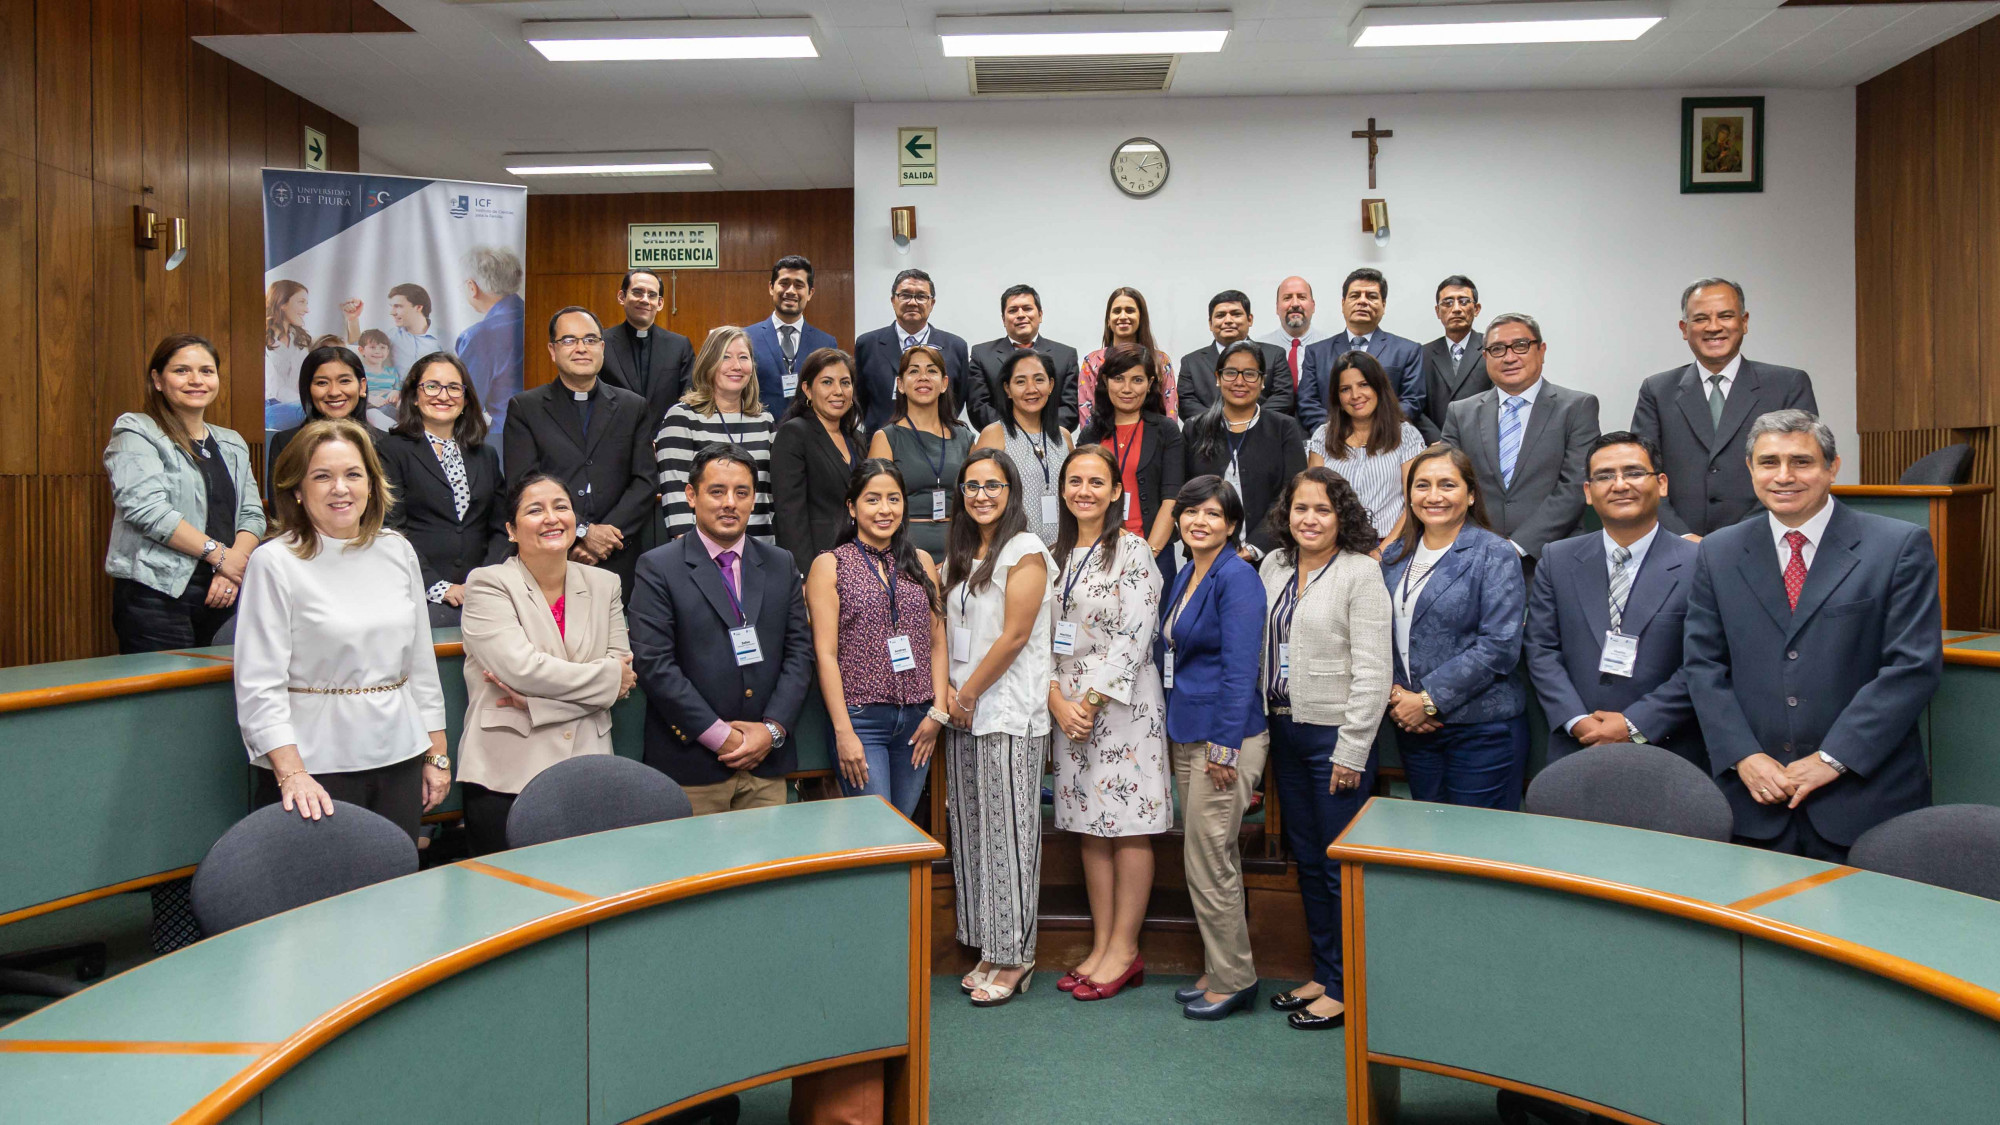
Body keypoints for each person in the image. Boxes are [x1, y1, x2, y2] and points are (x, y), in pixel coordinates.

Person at [1685, 411, 1942, 862]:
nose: (1784, 476)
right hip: (1752, 798)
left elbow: (1912, 667)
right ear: (1750, 470)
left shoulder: (1899, 546)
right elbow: (1704, 665)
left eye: (1801, 462)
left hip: (1863, 799)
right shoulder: (1717, 551)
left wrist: (1833, 758)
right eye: (1769, 462)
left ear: (1832, 467)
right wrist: (1743, 755)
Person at [233, 418, 451, 840]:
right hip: (313, 769)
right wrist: (291, 773)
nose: (340, 488)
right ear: (297, 489)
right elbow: (259, 684)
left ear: (371, 484)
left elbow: (421, 665)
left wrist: (436, 753)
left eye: (353, 474)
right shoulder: (274, 561)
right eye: (322, 477)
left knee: (397, 873)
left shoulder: (397, 550)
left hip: (401, 756)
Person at [1257, 468, 1391, 1031]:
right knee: (1308, 862)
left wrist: (1352, 750)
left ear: (1342, 516)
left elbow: (1374, 671)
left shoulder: (1361, 572)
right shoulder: (1274, 565)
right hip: (1284, 731)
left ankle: (1346, 987)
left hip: (1335, 737)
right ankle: (1324, 972)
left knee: (1339, 868)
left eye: (1323, 510)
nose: (1309, 519)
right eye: (1300, 508)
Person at [456, 471, 636, 855]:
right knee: (505, 889)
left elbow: (622, 675)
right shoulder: (487, 584)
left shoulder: (605, 584)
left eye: (561, 507)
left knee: (589, 884)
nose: (552, 518)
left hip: (588, 768)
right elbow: (523, 670)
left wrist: (538, 704)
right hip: (506, 774)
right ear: (511, 529)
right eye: (535, 510)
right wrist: (604, 681)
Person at [629, 444, 814, 814]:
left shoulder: (781, 563)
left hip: (766, 762)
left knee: (768, 855)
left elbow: (799, 654)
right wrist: (721, 737)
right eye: (717, 491)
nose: (730, 503)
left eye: (741, 492)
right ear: (691, 496)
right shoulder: (658, 567)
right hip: (692, 766)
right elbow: (654, 664)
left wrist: (771, 731)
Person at [1047, 445, 1167, 1003]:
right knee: (1089, 827)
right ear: (1061, 489)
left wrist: (1090, 701)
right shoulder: (1052, 554)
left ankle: (1125, 948)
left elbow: (1134, 636)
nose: (1085, 491)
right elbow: (1036, 638)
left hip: (1122, 708)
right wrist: (1057, 700)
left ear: (1117, 491)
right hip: (1066, 708)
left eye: (1097, 482)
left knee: (1127, 823)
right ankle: (1100, 946)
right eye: (1075, 481)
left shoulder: (1133, 550)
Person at [942, 449, 1055, 1008]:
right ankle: (990, 945)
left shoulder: (1025, 550)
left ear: (1011, 491)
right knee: (974, 835)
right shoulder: (963, 552)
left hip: (1008, 713)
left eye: (992, 485)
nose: (981, 495)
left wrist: (966, 693)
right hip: (965, 713)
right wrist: (954, 695)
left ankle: (1016, 956)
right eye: (971, 486)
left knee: (1010, 836)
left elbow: (1014, 637)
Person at [1525, 432, 1703, 767]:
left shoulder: (1700, 562)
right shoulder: (1557, 559)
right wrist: (1577, 720)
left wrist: (1634, 723)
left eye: (1634, 472)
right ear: (1588, 492)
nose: (1620, 485)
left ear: (1662, 484)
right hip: (1576, 747)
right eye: (1605, 476)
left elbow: (1704, 661)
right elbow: (1541, 649)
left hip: (1668, 751)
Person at [1161, 475, 1268, 1020]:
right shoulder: (1188, 572)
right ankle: (1220, 964)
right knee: (1205, 857)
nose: (1199, 521)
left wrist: (1224, 747)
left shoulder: (1238, 577)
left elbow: (1240, 669)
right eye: (1191, 511)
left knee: (1209, 860)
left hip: (1226, 739)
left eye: (1212, 514)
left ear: (1231, 525)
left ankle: (1234, 979)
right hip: (1190, 729)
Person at [1380, 445, 1529, 810]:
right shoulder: (1393, 556)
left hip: (1482, 730)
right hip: (1413, 727)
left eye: (1447, 484)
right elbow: (1377, 635)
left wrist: (1428, 701)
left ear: (1471, 494)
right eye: (1422, 485)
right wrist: (1398, 696)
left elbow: (1499, 645)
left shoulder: (1494, 553)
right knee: (1429, 836)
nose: (1434, 496)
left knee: (1477, 840)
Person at [104, 334, 266, 653]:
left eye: (206, 371)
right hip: (156, 595)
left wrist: (232, 569)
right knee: (164, 687)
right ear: (158, 380)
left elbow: (252, 514)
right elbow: (147, 510)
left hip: (224, 590)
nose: (196, 380)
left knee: (224, 685)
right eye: (182, 370)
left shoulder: (231, 442)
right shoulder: (137, 430)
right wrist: (221, 557)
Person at [805, 460, 948, 817]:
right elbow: (825, 654)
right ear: (852, 507)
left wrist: (938, 712)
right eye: (873, 499)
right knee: (878, 830)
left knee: (903, 826)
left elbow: (937, 643)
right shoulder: (831, 564)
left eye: (893, 499)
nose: (885, 509)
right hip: (862, 720)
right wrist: (843, 731)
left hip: (918, 720)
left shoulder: (921, 562)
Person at [1632, 278, 1818, 538]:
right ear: (1684, 328)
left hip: (1763, 540)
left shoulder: (1787, 385)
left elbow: (1799, 469)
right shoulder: (1657, 390)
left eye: (1725, 316)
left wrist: (1734, 540)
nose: (1714, 327)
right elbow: (1642, 473)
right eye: (1701, 319)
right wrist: (1681, 536)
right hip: (1677, 544)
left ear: (1744, 322)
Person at [504, 307, 659, 594]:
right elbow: (523, 484)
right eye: (569, 340)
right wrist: (582, 531)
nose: (581, 348)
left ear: (602, 348)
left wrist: (605, 537)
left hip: (619, 554)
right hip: (551, 553)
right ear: (552, 350)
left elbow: (645, 481)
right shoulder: (525, 408)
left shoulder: (632, 406)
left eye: (590, 340)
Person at [1441, 313, 1601, 567]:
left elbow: (1574, 486)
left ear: (1541, 351)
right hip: (1475, 557)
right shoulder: (1460, 413)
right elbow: (1448, 484)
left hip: (1554, 557)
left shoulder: (1577, 407)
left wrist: (1516, 547)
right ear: (1485, 357)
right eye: (1497, 349)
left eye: (1520, 345)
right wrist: (1482, 545)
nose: (1509, 357)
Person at [377, 353, 508, 626]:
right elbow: (391, 529)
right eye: (432, 386)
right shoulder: (391, 450)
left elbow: (501, 526)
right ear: (414, 396)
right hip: (416, 593)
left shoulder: (485, 455)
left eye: (454, 388)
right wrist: (437, 586)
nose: (443, 395)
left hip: (482, 593)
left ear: (466, 399)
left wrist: (483, 580)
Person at [1182, 342, 1307, 560]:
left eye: (1250, 374)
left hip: (1270, 557)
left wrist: (1253, 548)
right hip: (1204, 555)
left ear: (1262, 381)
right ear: (1218, 378)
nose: (1239, 382)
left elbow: (1292, 494)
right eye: (1231, 373)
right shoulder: (1195, 428)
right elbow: (1184, 495)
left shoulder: (1283, 428)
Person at [656, 326, 778, 544]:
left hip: (759, 546)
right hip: (701, 548)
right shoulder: (682, 417)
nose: (736, 366)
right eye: (725, 357)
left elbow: (770, 494)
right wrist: (691, 549)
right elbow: (676, 493)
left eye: (743, 357)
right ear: (708, 363)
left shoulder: (764, 421)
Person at [1075, 344, 1183, 582]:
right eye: (1118, 379)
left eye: (1137, 380)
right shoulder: (1091, 434)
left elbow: (1171, 499)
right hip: (1098, 553)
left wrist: (1147, 554)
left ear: (1150, 383)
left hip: (1154, 553)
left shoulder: (1166, 431)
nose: (1127, 389)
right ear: (1105, 381)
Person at [1306, 351, 1427, 540]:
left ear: (1379, 387)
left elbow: (1414, 502)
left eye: (1364, 385)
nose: (1355, 395)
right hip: (1334, 545)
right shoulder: (1323, 435)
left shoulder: (1406, 435)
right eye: (1345, 389)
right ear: (1337, 397)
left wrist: (1383, 549)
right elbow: (1314, 500)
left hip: (1391, 545)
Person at [868, 344, 973, 558]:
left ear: (944, 384)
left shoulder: (964, 437)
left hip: (961, 550)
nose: (923, 377)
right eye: (914, 371)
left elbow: (977, 497)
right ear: (900, 384)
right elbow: (875, 505)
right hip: (903, 552)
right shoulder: (886, 438)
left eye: (931, 371)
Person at [772, 348, 864, 575]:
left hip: (859, 559)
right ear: (807, 389)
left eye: (845, 383)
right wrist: (804, 575)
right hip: (817, 563)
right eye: (827, 382)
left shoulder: (857, 439)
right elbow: (790, 514)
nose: (838, 391)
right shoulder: (794, 434)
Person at [1298, 269, 1426, 433]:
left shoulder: (1407, 350)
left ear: (1383, 305)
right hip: (1332, 440)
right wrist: (1339, 433)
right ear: (1343, 303)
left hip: (1387, 439)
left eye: (1371, 296)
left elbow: (1412, 401)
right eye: (1355, 295)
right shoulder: (1316, 353)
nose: (1363, 301)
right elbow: (1307, 403)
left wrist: (1372, 431)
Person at [973, 349, 1073, 546]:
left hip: (1063, 547)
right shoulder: (994, 435)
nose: (1031, 389)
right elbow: (976, 496)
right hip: (1012, 548)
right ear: (1007, 389)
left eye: (1039, 379)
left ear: (1051, 385)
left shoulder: (1064, 438)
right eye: (1020, 381)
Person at [854, 269, 971, 431]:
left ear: (932, 303)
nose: (912, 302)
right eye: (905, 295)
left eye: (921, 296)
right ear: (893, 300)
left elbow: (958, 399)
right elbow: (860, 398)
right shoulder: (867, 344)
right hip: (880, 439)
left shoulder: (955, 347)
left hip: (937, 440)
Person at [267, 345, 386, 493]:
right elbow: (281, 504)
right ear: (307, 389)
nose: (334, 392)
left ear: (362, 387)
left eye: (344, 381)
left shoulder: (387, 444)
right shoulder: (286, 443)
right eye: (322, 383)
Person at [966, 284, 1082, 431]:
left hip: (1051, 439)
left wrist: (1038, 433)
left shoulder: (1065, 355)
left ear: (1040, 315)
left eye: (1027, 308)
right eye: (1013, 310)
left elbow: (1070, 409)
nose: (1021, 315)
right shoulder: (982, 355)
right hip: (1000, 440)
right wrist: (1016, 433)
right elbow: (978, 407)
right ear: (1003, 319)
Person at [599, 269, 695, 442]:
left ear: (660, 303)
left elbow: (689, 398)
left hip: (666, 443)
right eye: (637, 292)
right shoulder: (601, 344)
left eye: (652, 295)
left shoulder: (679, 346)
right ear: (621, 297)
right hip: (612, 443)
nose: (644, 299)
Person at [1177, 289, 1295, 420]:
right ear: (1210, 323)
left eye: (1236, 314)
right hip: (1209, 431)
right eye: (1220, 315)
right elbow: (1186, 403)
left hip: (1264, 430)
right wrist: (1221, 423)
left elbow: (1283, 397)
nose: (1228, 320)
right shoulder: (1191, 362)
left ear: (1249, 320)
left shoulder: (1274, 355)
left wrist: (1250, 422)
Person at [745, 255, 836, 414]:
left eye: (799, 285)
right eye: (784, 283)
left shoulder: (826, 343)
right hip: (761, 427)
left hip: (809, 428)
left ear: (810, 293)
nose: (791, 291)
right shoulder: (746, 337)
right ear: (771, 287)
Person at [1079, 287, 1177, 426]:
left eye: (1130, 310)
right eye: (1117, 311)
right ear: (1108, 320)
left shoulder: (1160, 361)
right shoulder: (1093, 362)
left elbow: (1170, 412)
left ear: (1141, 318)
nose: (1123, 316)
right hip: (1103, 437)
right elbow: (1087, 418)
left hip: (1155, 437)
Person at [456, 245, 527, 435]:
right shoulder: (539, 320)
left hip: (505, 436)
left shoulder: (477, 336)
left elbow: (468, 402)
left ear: (472, 287)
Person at [1414, 275, 1491, 443]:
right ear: (1437, 311)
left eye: (1463, 301)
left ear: (1476, 309)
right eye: (1448, 303)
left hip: (1483, 443)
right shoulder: (1421, 354)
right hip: (1437, 446)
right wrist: (1441, 441)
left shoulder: (1493, 349)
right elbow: (1416, 406)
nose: (1456, 309)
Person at [1254, 276, 1334, 402]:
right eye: (1287, 298)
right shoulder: (1260, 348)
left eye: (1302, 297)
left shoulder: (1331, 346)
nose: (1295, 304)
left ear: (1313, 306)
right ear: (1277, 307)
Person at [265, 280, 314, 430]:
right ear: (282, 303)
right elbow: (276, 388)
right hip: (270, 407)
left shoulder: (300, 339)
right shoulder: (261, 340)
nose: (307, 310)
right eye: (301, 302)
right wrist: (311, 405)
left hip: (298, 405)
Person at [353, 328, 401, 422]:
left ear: (387, 351)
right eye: (372, 347)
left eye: (382, 348)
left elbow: (397, 388)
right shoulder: (359, 371)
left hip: (389, 405)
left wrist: (395, 392)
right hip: (369, 407)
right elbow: (355, 391)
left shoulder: (392, 372)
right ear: (362, 350)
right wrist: (370, 399)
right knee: (374, 414)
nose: (378, 351)